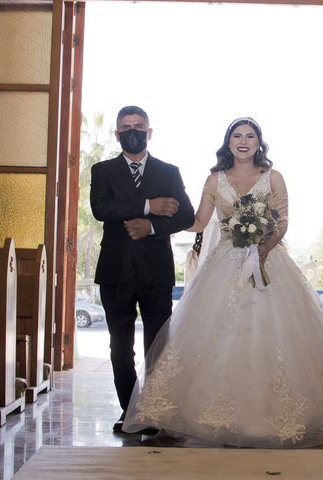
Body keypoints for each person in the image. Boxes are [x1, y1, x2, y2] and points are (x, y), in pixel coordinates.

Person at [122, 117, 323, 447]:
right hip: (225, 262)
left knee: (277, 332)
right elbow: (199, 221)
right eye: (237, 136)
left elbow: (283, 220)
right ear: (228, 143)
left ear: (259, 143)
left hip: (269, 259)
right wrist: (158, 218)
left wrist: (264, 247)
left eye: (250, 136)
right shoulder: (215, 179)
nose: (243, 141)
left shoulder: (273, 177)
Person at [90, 105, 194, 433]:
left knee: (158, 346)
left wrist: (150, 227)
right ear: (117, 133)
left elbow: (185, 216)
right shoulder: (102, 170)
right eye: (125, 127)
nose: (131, 131)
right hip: (115, 272)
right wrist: (149, 206)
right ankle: (131, 410)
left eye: (138, 126)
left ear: (149, 132)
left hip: (156, 273)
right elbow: (100, 208)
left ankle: (155, 409)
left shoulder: (168, 172)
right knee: (120, 346)